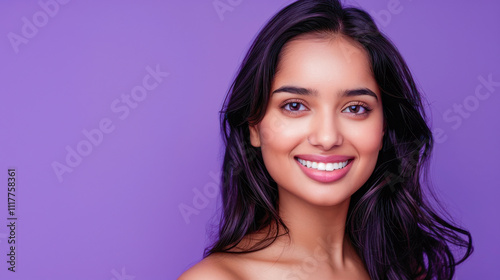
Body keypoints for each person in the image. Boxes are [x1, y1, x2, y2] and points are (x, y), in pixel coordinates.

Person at [179, 0, 473, 279]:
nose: (328, 137)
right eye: (295, 106)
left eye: (355, 108)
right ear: (254, 126)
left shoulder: (402, 270)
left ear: (384, 128)